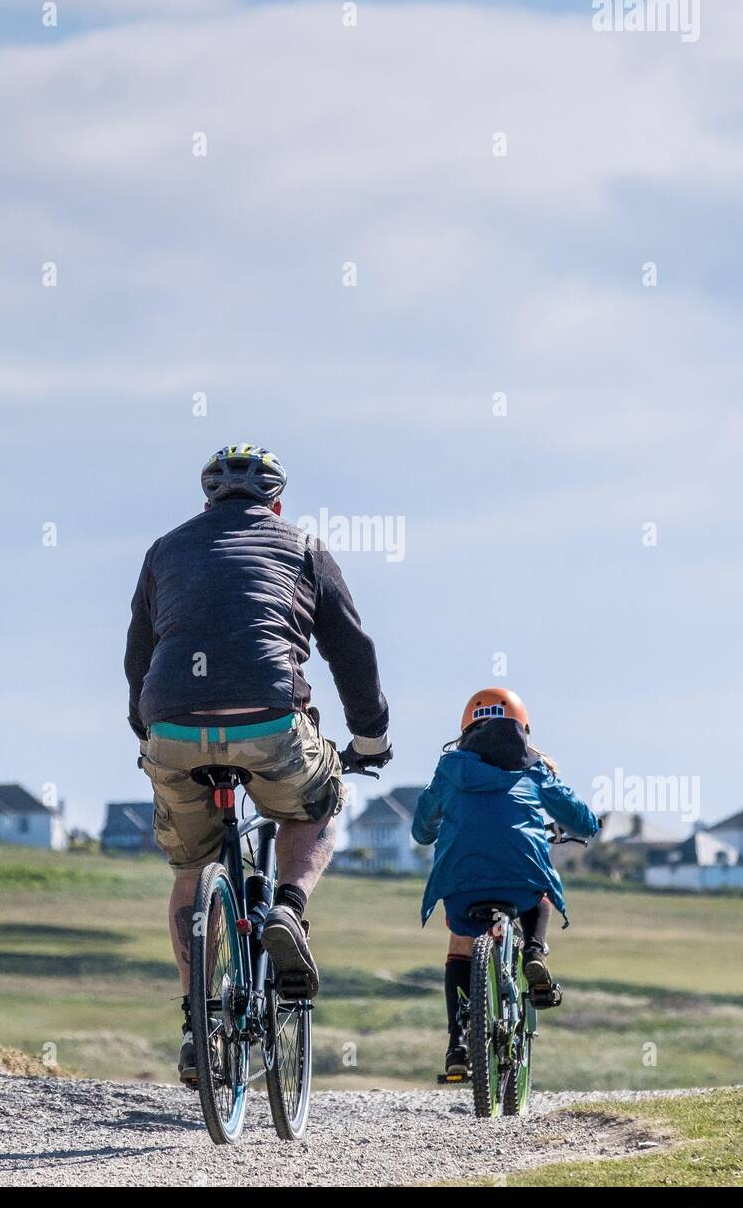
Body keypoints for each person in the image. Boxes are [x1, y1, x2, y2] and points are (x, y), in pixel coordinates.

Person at [125, 444, 391, 1081]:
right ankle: (288, 909)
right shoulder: (302, 545)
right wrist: (370, 737)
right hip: (269, 720)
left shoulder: (165, 550)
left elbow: (139, 655)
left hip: (173, 723)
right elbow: (351, 648)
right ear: (276, 501)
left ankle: (197, 1025)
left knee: (191, 869)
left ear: (207, 501)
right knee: (320, 804)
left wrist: (148, 726)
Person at [411, 687, 598, 1080]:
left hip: (462, 884)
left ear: (465, 730)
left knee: (460, 945)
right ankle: (534, 952)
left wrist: (440, 823)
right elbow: (583, 821)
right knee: (539, 892)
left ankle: (458, 1044)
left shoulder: (450, 768)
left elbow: (421, 830)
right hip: (520, 878)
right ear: (522, 728)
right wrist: (586, 825)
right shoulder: (535, 767)